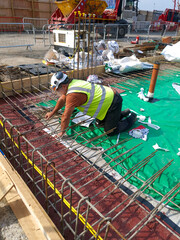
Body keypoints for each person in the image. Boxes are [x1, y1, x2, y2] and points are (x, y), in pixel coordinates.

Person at [45, 71, 137, 137]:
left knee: (110, 131)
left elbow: (65, 117)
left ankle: (132, 117)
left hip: (113, 101)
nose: (57, 92)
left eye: (57, 89)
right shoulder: (71, 84)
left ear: (63, 86)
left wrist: (61, 132)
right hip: (108, 101)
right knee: (100, 123)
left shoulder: (72, 95)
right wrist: (52, 112)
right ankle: (122, 113)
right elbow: (62, 99)